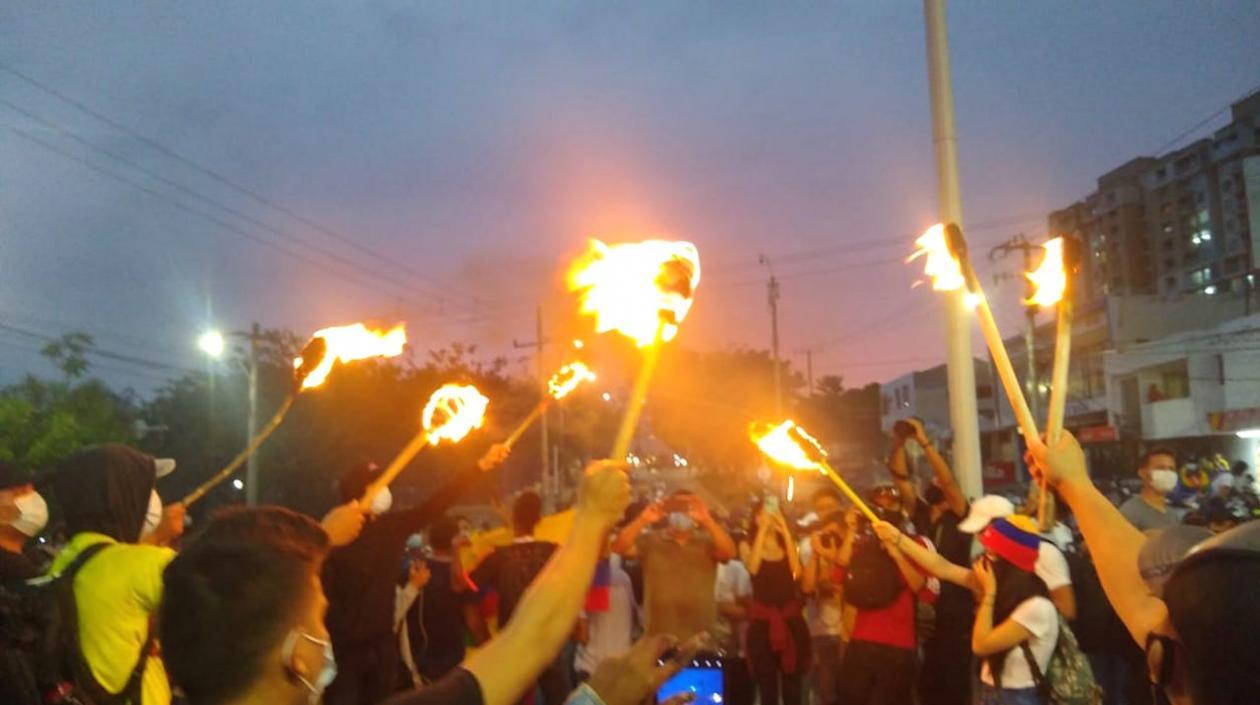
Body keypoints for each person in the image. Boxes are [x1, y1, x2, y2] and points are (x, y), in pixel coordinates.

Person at [1029, 431, 1260, 705]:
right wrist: (1074, 484)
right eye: (1160, 468)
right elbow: (1141, 588)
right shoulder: (1134, 510)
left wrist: (1075, 484)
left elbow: (1143, 599)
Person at [323, 444, 510, 705]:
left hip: (383, 649)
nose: (385, 491)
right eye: (377, 484)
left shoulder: (391, 527)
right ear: (358, 492)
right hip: (345, 655)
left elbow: (436, 504)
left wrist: (478, 467)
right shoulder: (332, 537)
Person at [48, 444, 186, 705]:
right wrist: (157, 537)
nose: (155, 497)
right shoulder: (148, 563)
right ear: (123, 497)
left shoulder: (63, 562)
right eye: (147, 488)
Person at [887, 419, 972, 705]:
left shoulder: (962, 515)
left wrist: (924, 442)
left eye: (940, 480)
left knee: (955, 688)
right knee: (926, 689)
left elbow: (947, 481)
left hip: (955, 615)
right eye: (932, 480)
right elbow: (900, 479)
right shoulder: (921, 513)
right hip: (922, 614)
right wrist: (900, 442)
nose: (936, 481)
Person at [835, 495, 939, 705]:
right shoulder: (862, 544)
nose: (885, 509)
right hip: (860, 642)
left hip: (898, 646)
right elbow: (838, 574)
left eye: (891, 504)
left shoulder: (917, 543)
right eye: (879, 505)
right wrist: (852, 530)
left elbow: (929, 592)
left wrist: (898, 554)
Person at [468, 490, 568, 705]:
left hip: (512, 641)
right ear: (539, 520)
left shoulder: (498, 556)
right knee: (559, 698)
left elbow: (467, 590)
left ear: (514, 519)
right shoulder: (554, 552)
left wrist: (482, 635)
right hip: (548, 637)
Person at [612, 490, 737, 640]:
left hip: (701, 636)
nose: (682, 512)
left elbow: (729, 552)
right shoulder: (651, 540)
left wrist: (707, 520)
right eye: (677, 507)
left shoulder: (707, 543)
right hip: (658, 638)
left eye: (687, 507)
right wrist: (643, 519)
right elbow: (619, 547)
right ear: (668, 510)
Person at [956, 495, 1077, 619]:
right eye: (977, 533)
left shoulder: (1043, 552)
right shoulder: (994, 559)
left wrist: (1019, 625)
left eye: (982, 531)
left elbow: (1067, 610)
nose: (980, 539)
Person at [398, 517, 480, 686]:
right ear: (455, 542)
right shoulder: (461, 578)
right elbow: (473, 623)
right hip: (453, 663)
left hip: (417, 661)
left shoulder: (413, 571)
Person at [742, 499, 809, 705]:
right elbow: (752, 568)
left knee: (792, 685)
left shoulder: (789, 545)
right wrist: (762, 531)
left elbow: (796, 572)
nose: (770, 517)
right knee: (767, 686)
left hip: (790, 621)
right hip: (763, 624)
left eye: (774, 513)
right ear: (756, 517)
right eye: (765, 513)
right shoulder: (747, 545)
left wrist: (785, 532)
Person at [800, 490, 846, 705]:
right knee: (825, 692)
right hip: (821, 629)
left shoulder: (851, 542)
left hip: (850, 630)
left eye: (830, 506)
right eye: (820, 509)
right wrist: (818, 552)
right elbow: (808, 586)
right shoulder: (810, 545)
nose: (826, 512)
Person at [573, 547, 635, 682]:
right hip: (621, 664)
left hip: (592, 667)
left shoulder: (583, 584)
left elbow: (583, 637)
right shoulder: (624, 578)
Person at [714, 533, 754, 705]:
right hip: (709, 648)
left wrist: (719, 607)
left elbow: (748, 611)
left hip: (736, 650)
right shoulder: (696, 568)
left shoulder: (737, 569)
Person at [0, 461, 48, 581]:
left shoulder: (34, 558)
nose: (33, 498)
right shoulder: (10, 570)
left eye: (32, 491)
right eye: (20, 492)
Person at [1118, 448, 1185, 532]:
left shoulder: (1172, 515)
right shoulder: (1130, 512)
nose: (1167, 473)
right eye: (1160, 468)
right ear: (1142, 473)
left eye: (1171, 469)